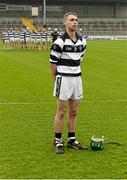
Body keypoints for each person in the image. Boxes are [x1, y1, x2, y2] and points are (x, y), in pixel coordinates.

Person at [49, 12, 88, 154]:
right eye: (72, 20)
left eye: (76, 20)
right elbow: (53, 63)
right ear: (65, 23)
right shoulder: (59, 42)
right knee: (61, 112)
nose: (75, 22)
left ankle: (72, 140)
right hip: (63, 79)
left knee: (74, 112)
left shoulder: (83, 41)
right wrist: (56, 79)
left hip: (77, 78)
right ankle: (58, 141)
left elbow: (80, 58)